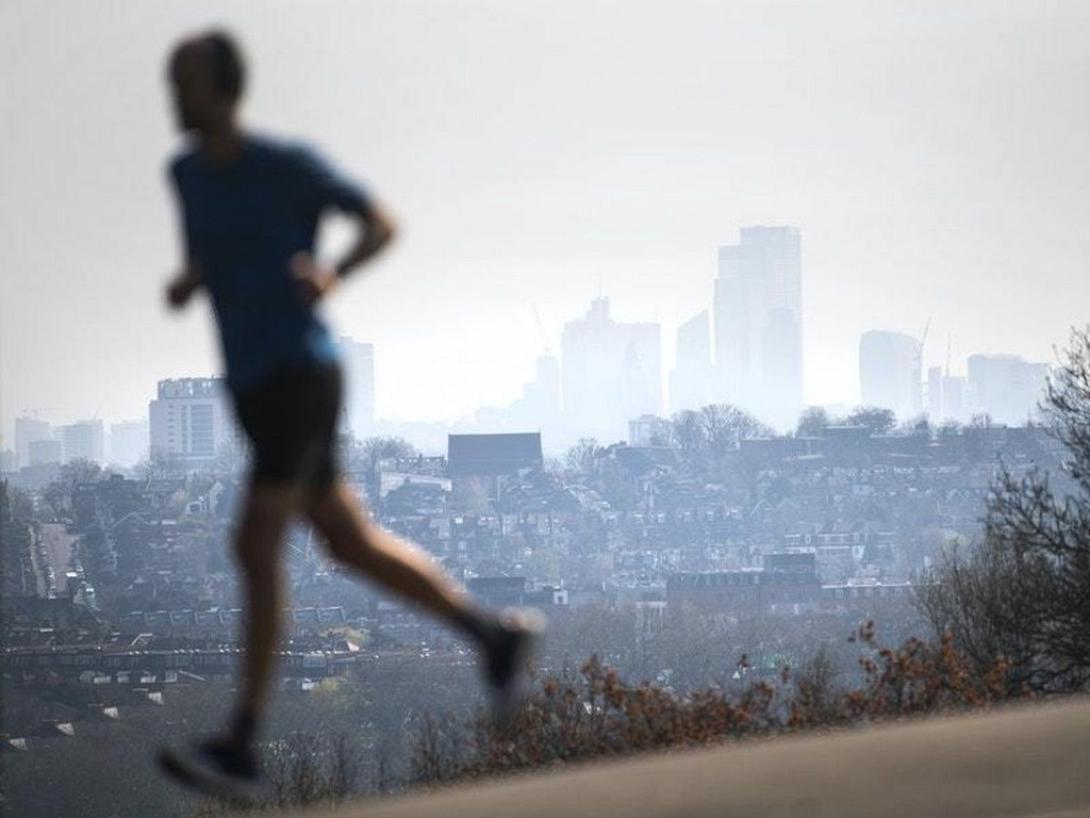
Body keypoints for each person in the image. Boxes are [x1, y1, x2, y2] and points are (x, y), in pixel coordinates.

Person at [156, 29, 544, 801]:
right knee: (347, 543)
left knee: (254, 540)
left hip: (304, 375)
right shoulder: (187, 174)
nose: (174, 96)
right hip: (253, 391)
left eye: (187, 82)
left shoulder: (287, 168)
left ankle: (242, 741)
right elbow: (207, 253)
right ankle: (492, 635)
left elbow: (381, 224)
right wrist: (189, 281)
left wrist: (335, 269)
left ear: (225, 91)